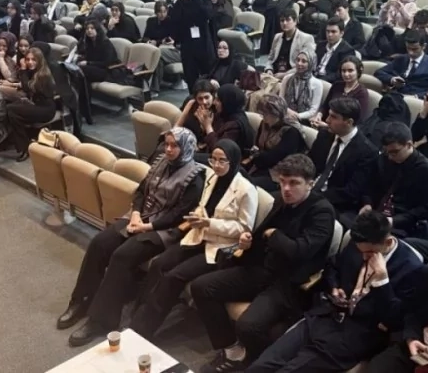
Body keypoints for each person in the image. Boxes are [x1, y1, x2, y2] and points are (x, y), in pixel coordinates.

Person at [57, 128, 204, 346]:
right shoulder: (161, 161)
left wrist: (147, 226)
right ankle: (81, 300)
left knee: (122, 255)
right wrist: (135, 213)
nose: (168, 149)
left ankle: (101, 321)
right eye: (167, 144)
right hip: (139, 218)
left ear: (186, 148)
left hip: (163, 230)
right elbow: (141, 191)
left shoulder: (195, 178)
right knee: (100, 243)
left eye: (174, 146)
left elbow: (178, 215)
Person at [192, 154, 335, 372]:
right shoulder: (281, 201)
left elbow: (300, 251)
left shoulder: (322, 212)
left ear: (310, 183)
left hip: (288, 282)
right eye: (283, 182)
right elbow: (261, 235)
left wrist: (274, 235)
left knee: (248, 325)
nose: (286, 188)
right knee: (201, 287)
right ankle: (232, 350)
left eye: (294, 183)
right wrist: (248, 241)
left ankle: (259, 364)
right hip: (263, 269)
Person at [248, 210, 426, 373]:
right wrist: (335, 287)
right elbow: (333, 266)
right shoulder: (359, 244)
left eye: (370, 252)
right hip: (326, 316)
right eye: (361, 251)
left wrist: (382, 281)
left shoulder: (411, 268)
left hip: (356, 335)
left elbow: (396, 320)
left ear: (387, 242)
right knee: (261, 366)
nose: (364, 257)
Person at [130, 139, 258, 339]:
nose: (216, 165)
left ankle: (142, 329)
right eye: (213, 159)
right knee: (160, 264)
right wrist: (197, 217)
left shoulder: (246, 189)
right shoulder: (211, 177)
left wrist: (209, 223)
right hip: (198, 235)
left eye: (222, 161)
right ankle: (138, 314)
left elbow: (244, 228)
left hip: (219, 247)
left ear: (233, 161)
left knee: (173, 277)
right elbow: (203, 206)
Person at [308, 97, 380, 227]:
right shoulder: (324, 134)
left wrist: (314, 196)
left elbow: (352, 191)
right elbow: (309, 163)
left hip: (335, 203)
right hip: (308, 189)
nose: (327, 120)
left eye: (333, 117)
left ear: (349, 122)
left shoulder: (367, 151)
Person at [363, 122, 428, 238]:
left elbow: (427, 209)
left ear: (409, 145)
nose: (390, 157)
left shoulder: (427, 170)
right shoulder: (384, 158)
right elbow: (371, 184)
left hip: (404, 223)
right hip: (377, 214)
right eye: (387, 151)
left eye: (394, 152)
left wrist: (395, 220)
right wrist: (367, 203)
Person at [5, 47, 57, 162]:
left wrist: (23, 69)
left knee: (11, 110)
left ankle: (24, 146)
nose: (30, 62)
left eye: (33, 60)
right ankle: (23, 144)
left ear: (39, 61)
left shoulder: (43, 75)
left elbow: (26, 88)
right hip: (35, 105)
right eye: (27, 59)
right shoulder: (34, 72)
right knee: (10, 110)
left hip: (45, 109)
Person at [246, 95, 307, 189]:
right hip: (261, 165)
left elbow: (275, 157)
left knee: (248, 184)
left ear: (276, 114)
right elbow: (257, 146)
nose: (263, 116)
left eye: (265, 114)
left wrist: (257, 155)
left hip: (279, 173)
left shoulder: (291, 132)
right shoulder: (265, 124)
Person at [171, 0, 216, 88]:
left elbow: (207, 14)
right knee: (190, 76)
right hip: (187, 45)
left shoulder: (203, 0)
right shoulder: (179, 3)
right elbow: (174, 20)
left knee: (207, 75)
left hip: (203, 43)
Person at [374, 30, 428, 98]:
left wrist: (417, 96)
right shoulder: (401, 59)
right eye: (408, 48)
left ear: (424, 46)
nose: (410, 53)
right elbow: (379, 72)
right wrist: (392, 79)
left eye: (415, 49)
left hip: (417, 100)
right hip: (396, 97)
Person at [199, 84, 254, 156]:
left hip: (226, 160)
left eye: (218, 100)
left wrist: (208, 127)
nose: (214, 102)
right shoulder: (222, 115)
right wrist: (203, 125)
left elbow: (220, 150)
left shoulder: (235, 125)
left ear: (227, 102)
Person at [313, 56, 369, 123]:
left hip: (341, 127)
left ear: (358, 71)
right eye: (343, 71)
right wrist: (319, 115)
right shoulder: (337, 85)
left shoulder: (361, 92)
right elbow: (325, 106)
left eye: (350, 70)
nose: (346, 74)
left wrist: (327, 126)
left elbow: (359, 121)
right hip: (324, 121)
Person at [264, 9, 315, 80]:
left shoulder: (306, 38)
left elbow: (306, 65)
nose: (284, 23)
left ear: (295, 21)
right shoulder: (277, 37)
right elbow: (270, 58)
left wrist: (285, 75)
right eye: (282, 20)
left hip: (293, 76)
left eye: (288, 20)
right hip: (274, 74)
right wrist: (269, 69)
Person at [280, 51, 323, 122]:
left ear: (311, 64)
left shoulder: (317, 83)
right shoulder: (287, 78)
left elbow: (313, 111)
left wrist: (296, 116)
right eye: (298, 60)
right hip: (285, 114)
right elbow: (280, 101)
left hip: (304, 119)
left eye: (304, 61)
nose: (299, 63)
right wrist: (288, 111)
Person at [315, 18, 356, 82]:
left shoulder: (347, 50)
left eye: (333, 32)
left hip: (329, 82)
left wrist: (320, 80)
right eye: (328, 31)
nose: (329, 35)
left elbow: (340, 74)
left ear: (341, 33)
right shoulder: (320, 45)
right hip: (314, 77)